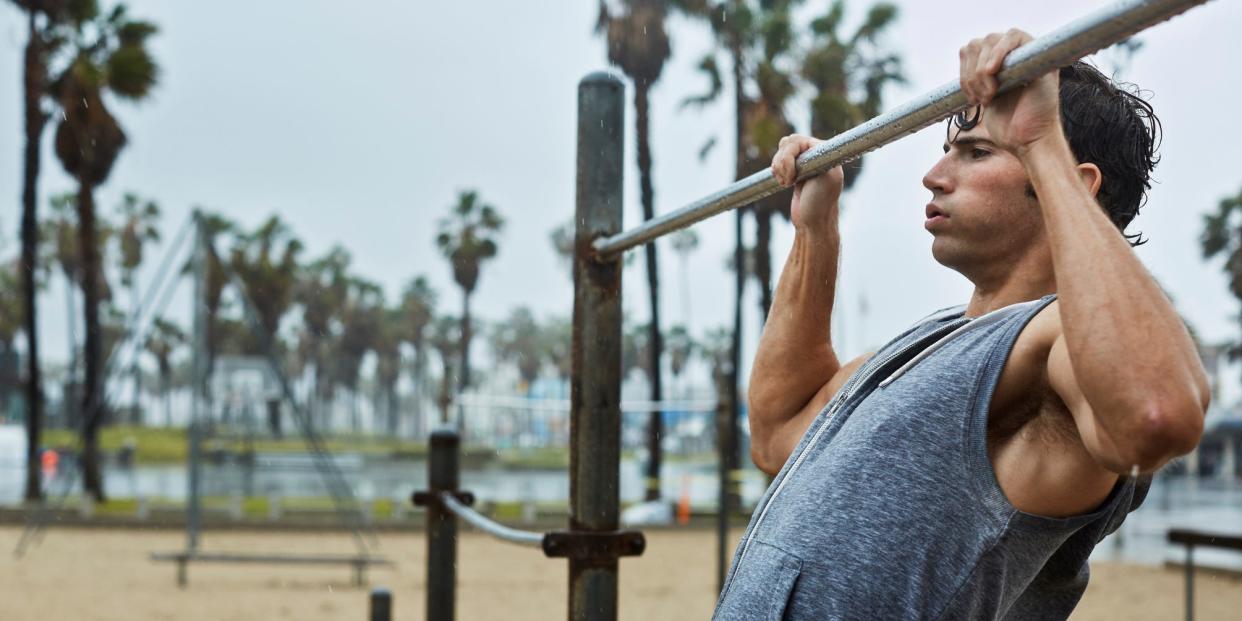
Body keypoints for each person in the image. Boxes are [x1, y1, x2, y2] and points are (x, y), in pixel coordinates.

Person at [712, 28, 1210, 620]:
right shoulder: (938, 337)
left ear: (1071, 184)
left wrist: (1041, 141)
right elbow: (778, 431)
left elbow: (1158, 414)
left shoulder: (1051, 343)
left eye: (976, 151)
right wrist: (815, 231)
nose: (934, 175)